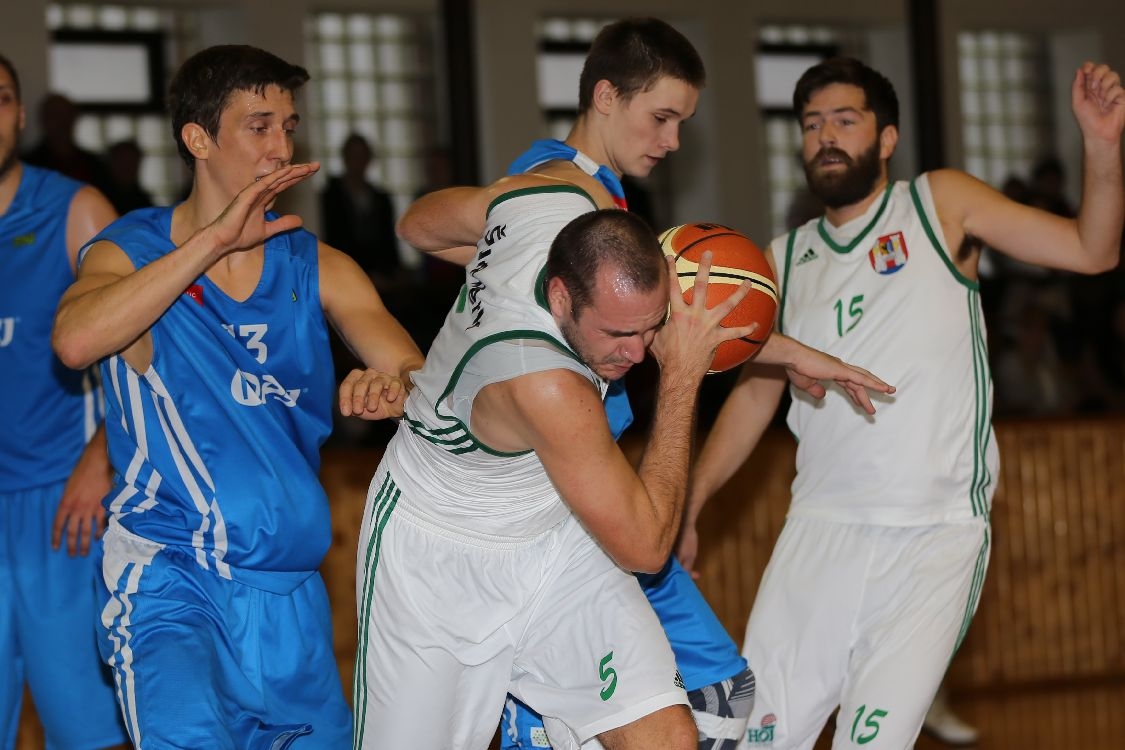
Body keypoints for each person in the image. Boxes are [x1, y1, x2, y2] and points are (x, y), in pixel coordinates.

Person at [354, 25, 893, 750]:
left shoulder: (549, 205)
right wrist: (679, 380)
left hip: (568, 515)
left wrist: (790, 354)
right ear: (605, 97)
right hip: (465, 538)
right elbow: (661, 388)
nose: (671, 142)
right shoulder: (555, 199)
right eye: (661, 118)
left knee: (697, 713)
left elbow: (419, 223)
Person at [679, 57, 1123, 749]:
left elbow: (1091, 251)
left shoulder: (939, 204)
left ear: (885, 139)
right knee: (751, 742)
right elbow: (754, 395)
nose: (825, 137)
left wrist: (1100, 145)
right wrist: (693, 500)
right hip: (818, 530)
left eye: (844, 121)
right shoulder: (781, 258)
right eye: (811, 124)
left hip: (932, 530)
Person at [51, 44, 424, 749]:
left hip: (289, 597)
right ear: (198, 139)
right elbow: (75, 340)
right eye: (259, 126)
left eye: (288, 126)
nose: (280, 146)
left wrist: (393, 385)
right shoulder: (127, 251)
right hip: (170, 586)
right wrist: (214, 241)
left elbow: (417, 374)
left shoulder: (318, 265)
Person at [0, 52, 130, 750]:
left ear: (20, 115)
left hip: (61, 509)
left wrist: (100, 459)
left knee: (87, 730)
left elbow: (148, 352)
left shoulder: (75, 209)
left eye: (0, 98)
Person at [22, 92, 113, 196]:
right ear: (43, 119)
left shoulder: (95, 166)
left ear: (74, 118)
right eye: (55, 115)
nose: (61, 122)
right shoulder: (27, 167)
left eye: (66, 115)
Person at [104, 138, 155, 215]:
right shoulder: (101, 197)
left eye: (131, 163)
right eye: (122, 163)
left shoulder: (141, 200)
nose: (127, 168)